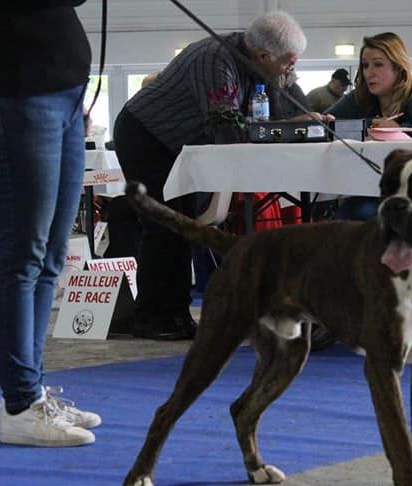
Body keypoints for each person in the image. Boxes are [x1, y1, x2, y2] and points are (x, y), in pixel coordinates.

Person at [113, 11, 323, 341]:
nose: (291, 70)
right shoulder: (214, 59)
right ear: (265, 56)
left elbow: (283, 110)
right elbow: (227, 129)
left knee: (188, 225)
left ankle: (172, 314)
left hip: (183, 144)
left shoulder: (261, 64)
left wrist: (306, 117)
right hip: (147, 136)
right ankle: (156, 317)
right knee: (166, 225)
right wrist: (289, 123)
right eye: (289, 62)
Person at [0, 1, 100, 447]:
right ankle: (19, 403)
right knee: (22, 253)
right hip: (13, 96)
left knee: (51, 254)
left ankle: (31, 390)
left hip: (64, 95)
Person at [326, 31, 412, 220]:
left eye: (378, 64)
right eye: (365, 65)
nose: (369, 72)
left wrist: (400, 130)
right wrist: (318, 118)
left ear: (398, 67)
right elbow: (326, 122)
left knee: (355, 216)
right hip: (376, 190)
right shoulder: (359, 97)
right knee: (347, 217)